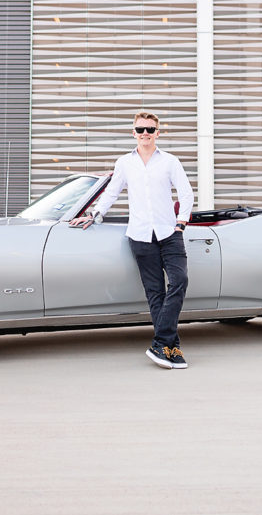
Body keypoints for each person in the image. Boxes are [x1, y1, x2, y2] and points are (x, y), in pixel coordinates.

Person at [69, 111, 194, 369]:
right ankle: (172, 348)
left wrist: (181, 223)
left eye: (150, 129)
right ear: (133, 133)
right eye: (140, 130)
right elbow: (112, 192)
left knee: (180, 281)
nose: (145, 134)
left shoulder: (170, 161)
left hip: (169, 233)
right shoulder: (125, 163)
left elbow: (186, 192)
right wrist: (95, 214)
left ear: (158, 133)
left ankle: (161, 343)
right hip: (140, 235)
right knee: (155, 292)